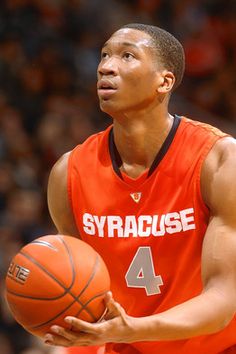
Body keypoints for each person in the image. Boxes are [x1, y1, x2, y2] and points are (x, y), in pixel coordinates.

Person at [44, 23, 236, 354]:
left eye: (127, 56)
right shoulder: (68, 173)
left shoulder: (219, 161)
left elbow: (223, 298)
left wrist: (136, 328)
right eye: (104, 55)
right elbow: (80, 288)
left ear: (165, 81)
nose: (105, 65)